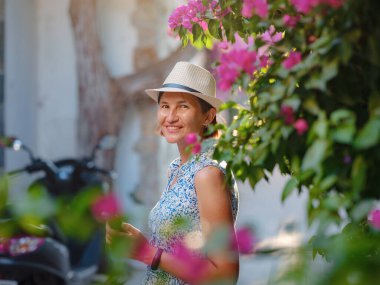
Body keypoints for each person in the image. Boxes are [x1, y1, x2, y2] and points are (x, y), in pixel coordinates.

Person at [106, 61, 239, 284]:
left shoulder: (207, 174)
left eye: (183, 106)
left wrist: (148, 253)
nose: (171, 116)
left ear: (208, 116)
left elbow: (225, 275)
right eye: (165, 106)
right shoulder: (177, 167)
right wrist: (137, 242)